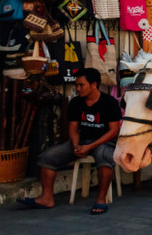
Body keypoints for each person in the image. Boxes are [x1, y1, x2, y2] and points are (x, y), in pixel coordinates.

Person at [17, 68, 121, 214]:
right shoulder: (76, 102)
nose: (77, 88)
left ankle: (101, 199)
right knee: (47, 157)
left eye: (81, 85)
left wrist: (90, 146)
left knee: (104, 158)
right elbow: (73, 128)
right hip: (81, 140)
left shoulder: (109, 102)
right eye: (76, 85)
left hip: (103, 142)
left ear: (93, 85)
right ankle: (47, 198)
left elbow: (113, 131)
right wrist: (75, 145)